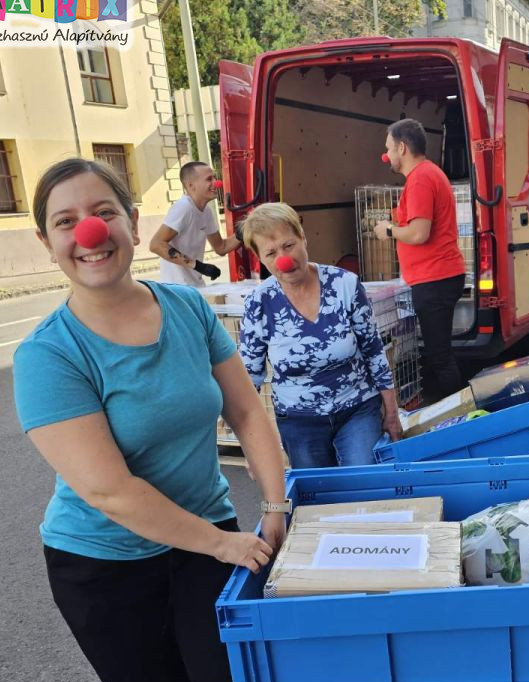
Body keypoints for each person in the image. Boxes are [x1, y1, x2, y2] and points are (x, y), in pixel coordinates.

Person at [12, 158, 293, 682]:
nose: (90, 231)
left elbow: (249, 414)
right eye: (66, 221)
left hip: (206, 542)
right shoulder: (48, 355)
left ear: (133, 223)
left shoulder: (188, 309)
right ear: (47, 243)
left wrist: (277, 505)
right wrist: (225, 542)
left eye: (104, 212)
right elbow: (108, 488)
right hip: (101, 566)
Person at [239, 202, 402, 468]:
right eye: (271, 253)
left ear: (303, 237)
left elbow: (373, 351)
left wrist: (392, 414)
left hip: (357, 408)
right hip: (298, 420)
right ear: (260, 258)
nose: (283, 258)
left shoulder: (345, 284)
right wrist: (251, 445)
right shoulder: (259, 302)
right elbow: (249, 378)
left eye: (289, 245)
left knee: (367, 487)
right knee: (319, 499)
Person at [372, 118, 467, 404]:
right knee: (439, 352)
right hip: (436, 276)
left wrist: (387, 230)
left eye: (389, 148)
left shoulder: (421, 179)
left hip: (435, 278)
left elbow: (418, 233)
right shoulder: (427, 175)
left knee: (439, 356)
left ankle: (459, 416)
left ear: (402, 147)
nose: (386, 154)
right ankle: (456, 411)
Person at [149, 160, 241, 286]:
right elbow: (156, 244)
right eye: (209, 179)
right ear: (191, 185)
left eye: (214, 177)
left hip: (195, 286)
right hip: (177, 288)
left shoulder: (206, 212)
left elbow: (221, 247)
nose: (216, 183)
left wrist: (243, 233)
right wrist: (198, 266)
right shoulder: (183, 207)